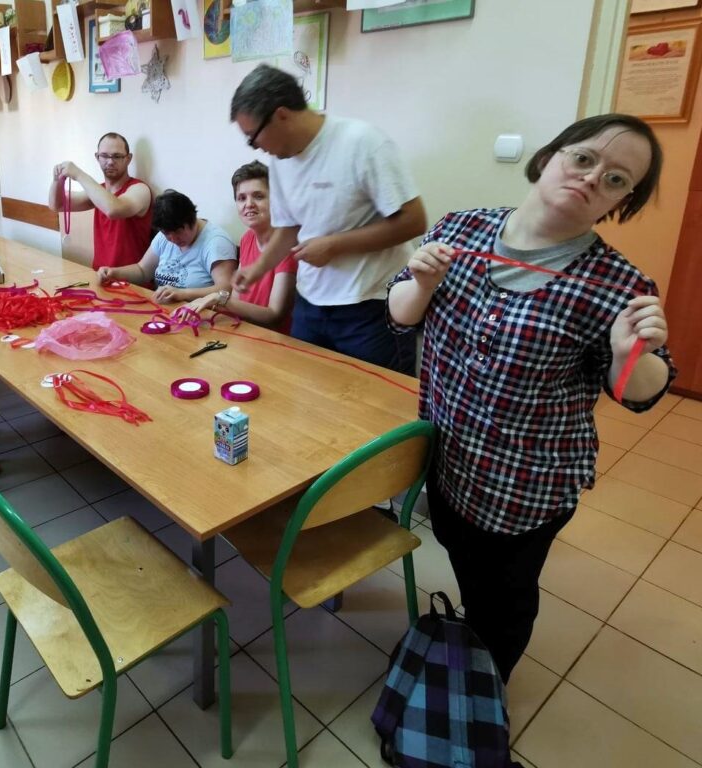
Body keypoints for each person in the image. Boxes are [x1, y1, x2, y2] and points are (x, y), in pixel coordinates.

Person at [386, 114, 677, 683]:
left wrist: (631, 356)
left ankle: (484, 690)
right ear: (548, 157)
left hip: (525, 486)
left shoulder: (618, 285)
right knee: (461, 557)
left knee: (503, 597)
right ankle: (470, 651)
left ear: (622, 201)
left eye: (616, 179)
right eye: (584, 158)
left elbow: (636, 394)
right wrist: (420, 283)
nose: (593, 178)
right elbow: (401, 317)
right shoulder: (462, 229)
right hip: (448, 458)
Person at [229, 64, 426, 374]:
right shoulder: (281, 161)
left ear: (281, 115)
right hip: (310, 305)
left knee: (376, 398)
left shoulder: (362, 143)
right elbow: (289, 227)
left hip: (370, 306)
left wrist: (334, 246)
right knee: (304, 392)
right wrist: (258, 268)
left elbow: (413, 221)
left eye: (253, 138)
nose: (256, 148)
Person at [185, 161, 296, 333]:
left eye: (258, 196)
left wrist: (219, 299)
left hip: (274, 339)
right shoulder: (247, 238)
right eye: (241, 198)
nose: (249, 204)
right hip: (244, 331)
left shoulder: (286, 244)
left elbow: (275, 316)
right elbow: (237, 299)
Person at [97, 189, 237, 304]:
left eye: (178, 232)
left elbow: (226, 289)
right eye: (166, 234)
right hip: (164, 309)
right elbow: (143, 271)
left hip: (200, 315)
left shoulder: (216, 243)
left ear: (192, 220)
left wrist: (183, 294)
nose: (173, 240)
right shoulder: (165, 235)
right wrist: (114, 273)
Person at [48, 132, 153, 270]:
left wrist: (78, 174)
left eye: (117, 156)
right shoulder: (99, 192)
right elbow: (58, 205)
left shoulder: (140, 189)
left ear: (128, 159)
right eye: (104, 156)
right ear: (97, 157)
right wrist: (57, 180)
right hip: (100, 276)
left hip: (131, 280)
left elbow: (113, 209)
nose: (110, 162)